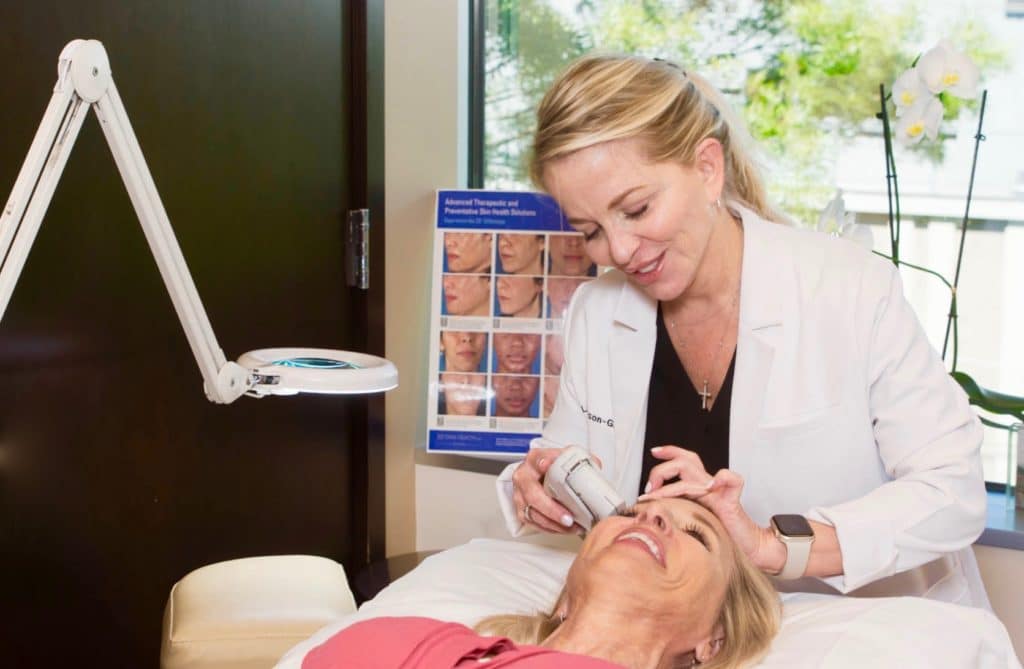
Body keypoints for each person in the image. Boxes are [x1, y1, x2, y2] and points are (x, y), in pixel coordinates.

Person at [497, 54, 988, 607]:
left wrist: (772, 546)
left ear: (708, 168)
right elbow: (570, 458)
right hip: (688, 627)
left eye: (635, 209)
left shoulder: (849, 288)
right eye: (589, 230)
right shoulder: (598, 310)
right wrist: (539, 483)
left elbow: (954, 489)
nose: (619, 251)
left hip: (855, 623)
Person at [301, 497, 781, 669]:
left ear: (712, 641)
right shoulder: (401, 640)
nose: (651, 513)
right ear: (565, 597)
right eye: (631, 513)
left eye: (697, 534)